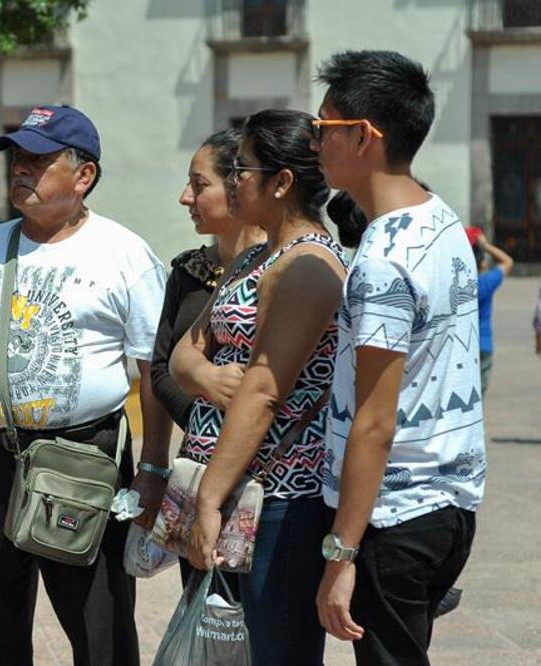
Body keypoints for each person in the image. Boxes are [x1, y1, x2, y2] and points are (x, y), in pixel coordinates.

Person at [0, 105, 172, 666]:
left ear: (84, 175)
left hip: (81, 461)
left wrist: (151, 470)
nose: (20, 170)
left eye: (39, 159)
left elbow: (153, 372)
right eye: (17, 158)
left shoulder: (124, 254)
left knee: (97, 622)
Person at [312, 50, 485, 666]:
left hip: (395, 517)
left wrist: (342, 556)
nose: (314, 142)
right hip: (448, 503)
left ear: (363, 136)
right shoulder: (441, 221)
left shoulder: (384, 259)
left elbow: (375, 421)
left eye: (323, 127)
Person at [173, 109, 347, 665]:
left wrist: (210, 498)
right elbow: (185, 353)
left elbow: (265, 391)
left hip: (276, 496)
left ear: (282, 182)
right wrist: (206, 375)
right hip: (223, 482)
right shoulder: (253, 256)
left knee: (277, 651)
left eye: (244, 169)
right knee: (226, 652)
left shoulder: (308, 266)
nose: (235, 179)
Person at [150, 127, 265, 587]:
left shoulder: (287, 268)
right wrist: (206, 407)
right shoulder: (188, 273)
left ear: (240, 184)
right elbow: (160, 367)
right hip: (197, 470)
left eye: (199, 185)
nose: (185, 198)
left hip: (267, 473)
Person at [467, 228, 513, 395]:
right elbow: (507, 262)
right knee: (477, 397)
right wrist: (485, 246)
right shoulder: (486, 282)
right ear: (482, 263)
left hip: (462, 345)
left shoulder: (458, 286)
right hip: (483, 344)